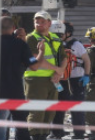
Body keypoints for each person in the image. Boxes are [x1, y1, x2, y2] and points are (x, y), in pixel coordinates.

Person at [23, 11, 67, 140]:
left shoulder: (55, 38)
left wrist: (59, 72)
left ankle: (43, 135)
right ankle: (35, 135)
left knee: (50, 111)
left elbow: (64, 57)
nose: (39, 24)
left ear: (49, 23)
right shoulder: (31, 38)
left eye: (42, 22)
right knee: (37, 111)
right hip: (36, 79)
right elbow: (36, 59)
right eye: (36, 21)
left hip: (53, 79)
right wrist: (58, 70)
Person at [0, 15, 40, 140]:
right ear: (13, 28)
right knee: (21, 123)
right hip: (15, 90)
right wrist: (41, 53)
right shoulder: (20, 44)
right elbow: (34, 66)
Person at [52, 21, 91, 139]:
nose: (58, 35)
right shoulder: (56, 43)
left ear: (68, 33)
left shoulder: (76, 45)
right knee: (59, 107)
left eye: (61, 33)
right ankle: (56, 133)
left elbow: (87, 60)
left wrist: (86, 75)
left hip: (76, 79)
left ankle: (79, 134)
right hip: (61, 79)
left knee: (77, 107)